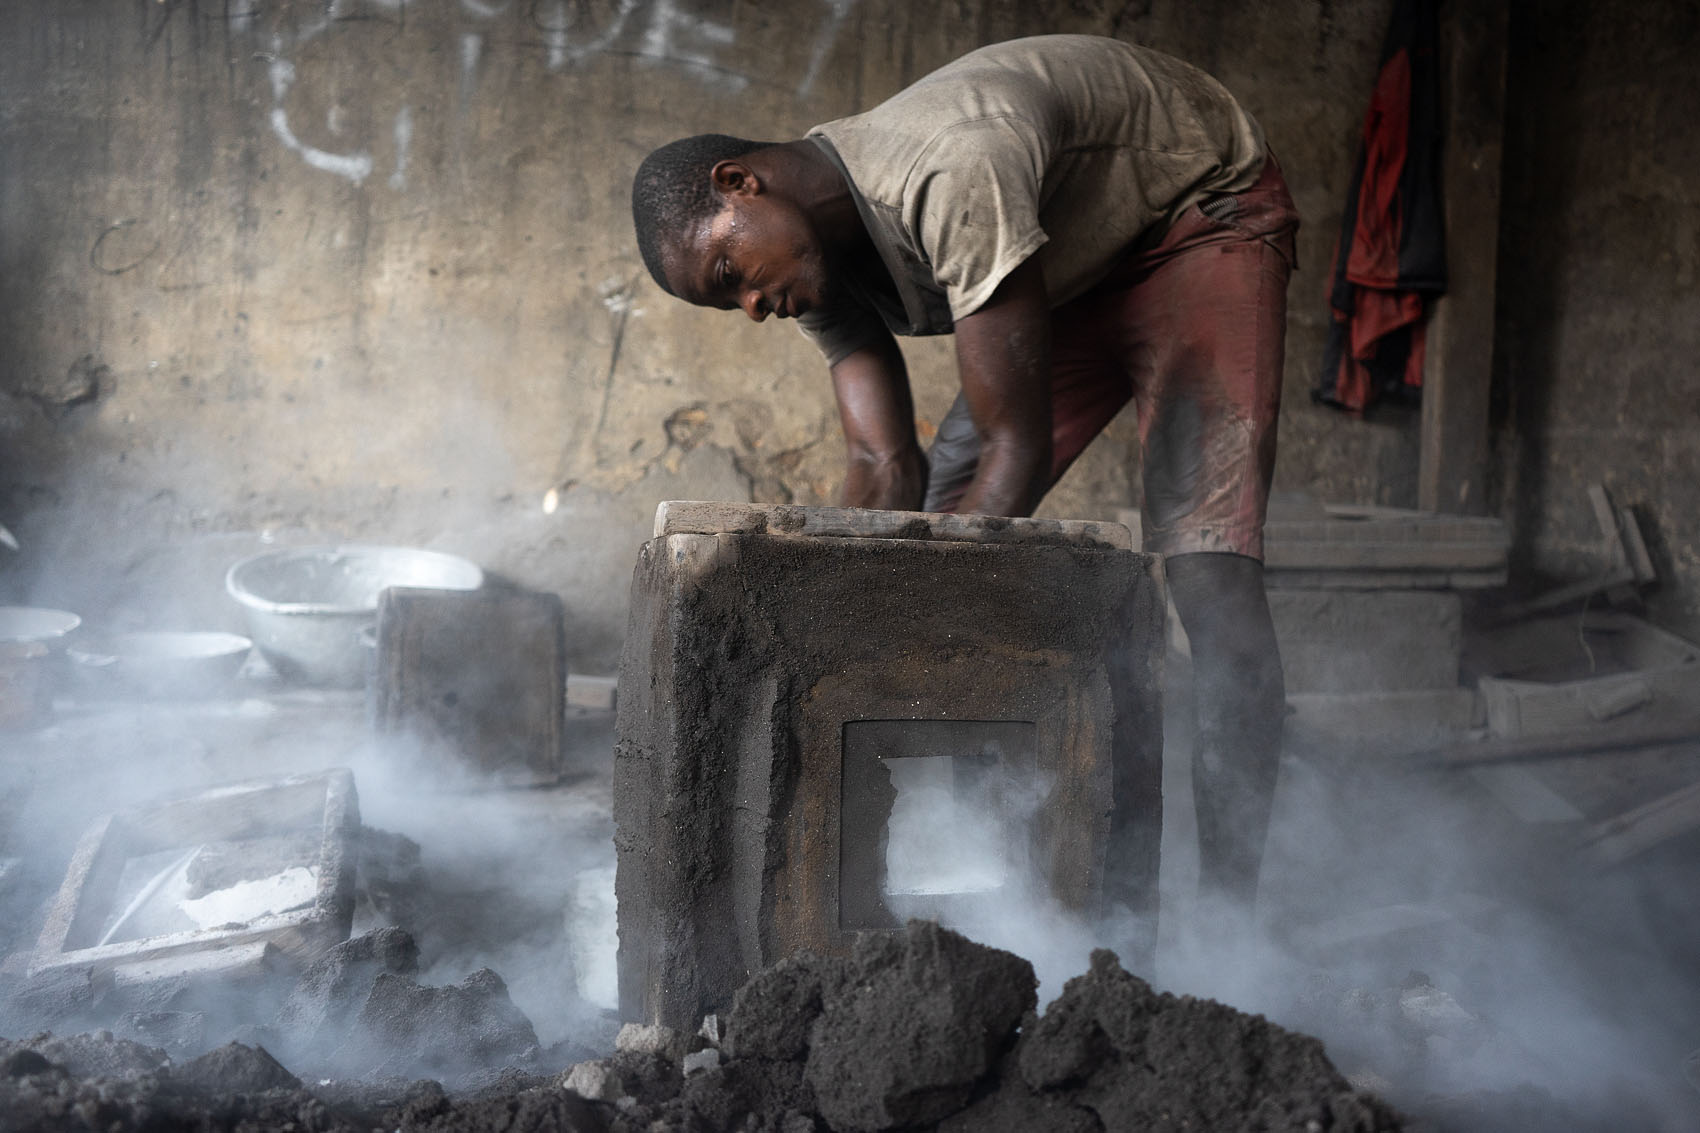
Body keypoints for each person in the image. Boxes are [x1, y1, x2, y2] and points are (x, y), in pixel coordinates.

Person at [630, 34, 1297, 932]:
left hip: (1198, 219)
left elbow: (1011, 448)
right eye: (727, 303)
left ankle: (1230, 923)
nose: (751, 307)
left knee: (1204, 565)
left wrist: (931, 611)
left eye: (729, 274)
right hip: (1076, 264)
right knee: (939, 534)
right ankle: (1003, 863)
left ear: (739, 183)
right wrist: (824, 650)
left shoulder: (947, 168)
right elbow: (882, 468)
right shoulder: (803, 260)